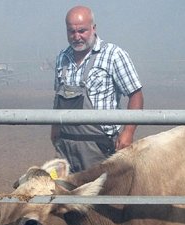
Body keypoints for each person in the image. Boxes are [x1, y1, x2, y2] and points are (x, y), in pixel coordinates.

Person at [51, 5, 144, 173]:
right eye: (71, 31)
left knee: (101, 196)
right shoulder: (62, 59)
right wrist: (54, 129)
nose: (77, 36)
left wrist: (128, 132)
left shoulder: (113, 55)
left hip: (100, 147)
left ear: (94, 28)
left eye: (82, 31)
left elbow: (136, 95)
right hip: (67, 146)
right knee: (67, 195)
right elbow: (58, 99)